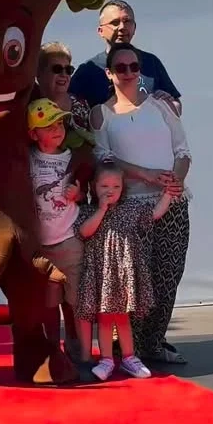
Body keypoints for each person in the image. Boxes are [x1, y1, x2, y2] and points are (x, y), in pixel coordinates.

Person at [90, 42, 191, 365]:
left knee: (168, 274)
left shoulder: (162, 107)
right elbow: (104, 158)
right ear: (110, 73)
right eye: (121, 68)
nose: (130, 73)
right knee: (135, 279)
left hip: (172, 203)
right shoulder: (101, 114)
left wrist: (173, 184)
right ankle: (128, 348)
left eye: (134, 67)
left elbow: (183, 152)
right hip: (130, 207)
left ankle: (154, 343)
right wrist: (144, 174)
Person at [76, 161, 171, 381]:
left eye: (116, 187)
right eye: (104, 186)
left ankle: (129, 358)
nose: (110, 191)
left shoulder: (130, 210)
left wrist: (168, 194)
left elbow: (155, 214)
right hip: (101, 274)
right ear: (93, 187)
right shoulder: (88, 211)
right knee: (105, 318)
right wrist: (101, 209)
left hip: (122, 274)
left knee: (122, 318)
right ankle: (106, 360)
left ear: (123, 188)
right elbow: (84, 232)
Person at [27, 98, 84, 363]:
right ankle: (52, 351)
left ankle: (78, 348)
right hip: (43, 246)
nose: (56, 128)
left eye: (59, 122)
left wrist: (79, 193)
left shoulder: (73, 158)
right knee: (49, 303)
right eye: (48, 124)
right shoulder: (29, 159)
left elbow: (88, 191)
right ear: (33, 134)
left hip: (70, 241)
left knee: (74, 301)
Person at [69, 0, 181, 114]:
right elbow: (68, 105)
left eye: (127, 21)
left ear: (134, 28)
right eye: (115, 22)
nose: (122, 27)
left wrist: (168, 104)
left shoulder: (151, 62)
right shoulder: (89, 69)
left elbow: (177, 106)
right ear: (100, 31)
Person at [35, 42, 92, 149]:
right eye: (57, 69)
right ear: (38, 73)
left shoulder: (82, 106)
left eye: (68, 70)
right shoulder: (28, 105)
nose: (64, 75)